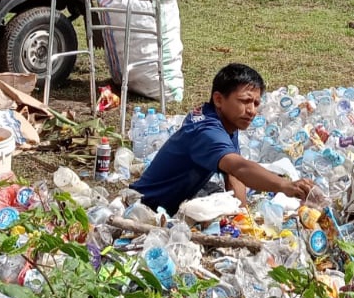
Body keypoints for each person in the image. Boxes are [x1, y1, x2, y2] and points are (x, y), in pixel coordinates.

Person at [131, 63, 315, 216]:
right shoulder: (206, 131)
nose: (251, 110)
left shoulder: (226, 121)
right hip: (146, 208)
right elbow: (239, 167)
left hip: (170, 205)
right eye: (244, 101)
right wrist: (285, 185)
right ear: (218, 99)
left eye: (256, 103)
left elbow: (234, 173)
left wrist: (243, 217)